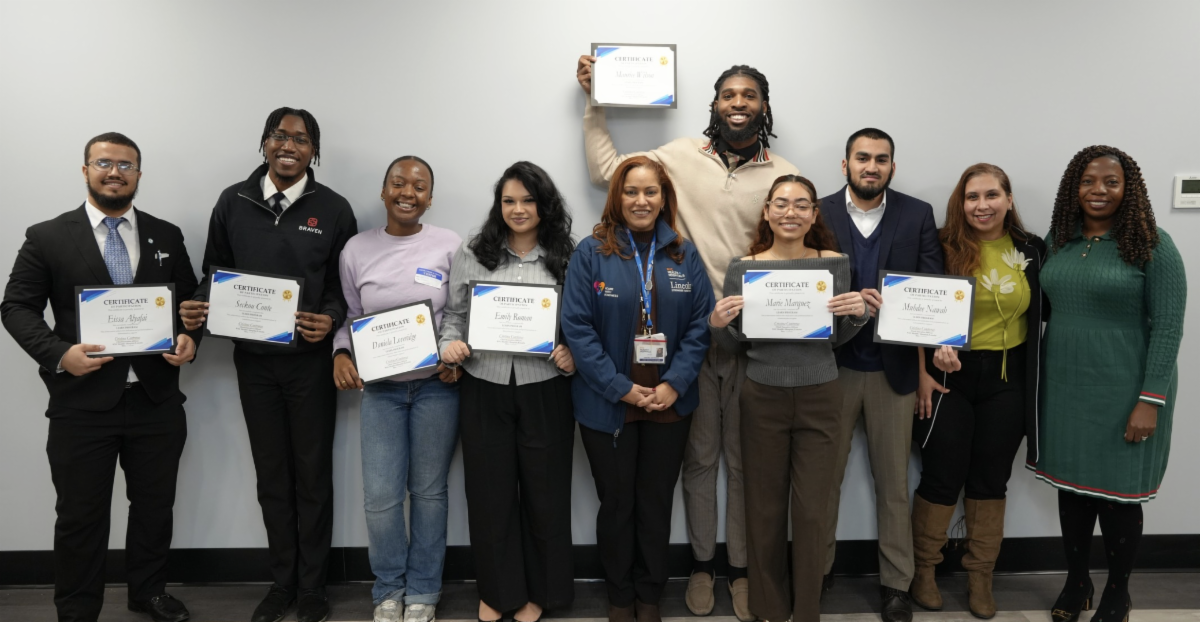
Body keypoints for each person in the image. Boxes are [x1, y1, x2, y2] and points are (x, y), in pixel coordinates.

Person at [576, 57, 799, 620]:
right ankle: (701, 566)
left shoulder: (785, 175)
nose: (739, 103)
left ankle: (741, 572)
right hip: (686, 347)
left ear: (763, 107)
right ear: (715, 104)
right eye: (728, 94)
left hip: (753, 343)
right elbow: (612, 169)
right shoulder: (675, 157)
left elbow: (802, 245)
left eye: (750, 94)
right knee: (698, 464)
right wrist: (595, 100)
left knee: (746, 463)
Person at [1, 133, 200, 622]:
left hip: (155, 399)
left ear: (138, 173)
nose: (116, 172)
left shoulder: (166, 234)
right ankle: (77, 607)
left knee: (155, 508)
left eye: (126, 165)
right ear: (85, 169)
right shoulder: (47, 235)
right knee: (80, 516)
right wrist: (58, 353)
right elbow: (17, 307)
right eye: (105, 163)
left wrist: (190, 338)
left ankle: (147, 591)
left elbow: (191, 304)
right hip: (81, 402)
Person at [179, 107, 358, 622]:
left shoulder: (334, 208)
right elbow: (213, 274)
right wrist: (198, 306)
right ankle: (282, 582)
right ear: (263, 144)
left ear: (313, 152)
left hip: (309, 363)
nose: (289, 145)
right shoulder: (232, 201)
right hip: (253, 363)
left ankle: (313, 587)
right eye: (279, 135)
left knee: (312, 474)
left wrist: (328, 319)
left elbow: (341, 290)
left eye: (301, 139)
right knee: (272, 475)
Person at [561, 156, 714, 622]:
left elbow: (700, 328)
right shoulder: (591, 252)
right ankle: (619, 596)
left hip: (669, 404)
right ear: (617, 197)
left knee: (654, 504)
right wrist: (620, 388)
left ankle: (649, 595)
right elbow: (577, 328)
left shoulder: (684, 255)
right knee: (617, 505)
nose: (641, 201)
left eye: (651, 192)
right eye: (631, 192)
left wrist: (674, 383)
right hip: (608, 405)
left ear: (664, 198)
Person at [1035, 146, 1185, 622]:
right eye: (1087, 182)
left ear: (1129, 189)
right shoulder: (1058, 240)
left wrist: (1150, 400)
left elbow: (1168, 326)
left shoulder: (1153, 245)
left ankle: (1118, 593)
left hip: (1125, 389)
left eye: (1111, 182)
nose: (1098, 191)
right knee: (1073, 492)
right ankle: (1077, 582)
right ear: (1072, 189)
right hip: (1063, 387)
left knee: (1119, 497)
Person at [709, 175, 868, 622]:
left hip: (821, 392)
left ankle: (807, 611)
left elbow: (835, 339)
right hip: (762, 394)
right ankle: (769, 610)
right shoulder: (744, 267)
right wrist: (718, 325)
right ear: (766, 212)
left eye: (802, 205)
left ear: (815, 214)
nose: (790, 212)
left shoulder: (834, 263)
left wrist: (859, 315)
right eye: (781, 203)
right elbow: (735, 345)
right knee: (763, 509)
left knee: (814, 511)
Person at [439, 161, 578, 622]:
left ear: (544, 205)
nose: (518, 210)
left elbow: (580, 323)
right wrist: (449, 346)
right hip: (484, 384)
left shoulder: (567, 255)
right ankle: (499, 591)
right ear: (499, 206)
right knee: (489, 494)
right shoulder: (474, 252)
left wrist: (570, 352)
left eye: (528, 200)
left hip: (546, 389)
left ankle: (542, 591)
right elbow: (454, 316)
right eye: (509, 201)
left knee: (546, 494)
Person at [908, 164, 1047, 619]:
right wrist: (929, 358)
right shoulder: (942, 244)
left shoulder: (1031, 250)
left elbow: (1044, 317)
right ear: (960, 202)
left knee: (991, 478)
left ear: (1008, 199)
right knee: (942, 473)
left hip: (1008, 379)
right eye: (972, 197)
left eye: (991, 195)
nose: (981, 206)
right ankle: (924, 571)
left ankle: (980, 577)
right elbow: (915, 309)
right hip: (949, 377)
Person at [819, 128, 943, 622]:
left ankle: (897, 584)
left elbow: (932, 296)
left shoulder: (917, 214)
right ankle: (816, 569)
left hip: (894, 371)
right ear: (844, 163)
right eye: (862, 157)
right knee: (822, 482)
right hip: (831, 369)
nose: (872, 166)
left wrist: (930, 364)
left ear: (893, 166)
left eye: (882, 159)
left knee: (893, 484)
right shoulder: (819, 211)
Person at [331, 156, 461, 622]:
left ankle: (424, 591)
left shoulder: (449, 244)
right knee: (381, 496)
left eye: (419, 185)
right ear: (383, 191)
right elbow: (348, 317)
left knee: (428, 493)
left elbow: (460, 314)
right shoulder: (355, 250)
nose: (408, 192)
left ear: (430, 197)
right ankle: (388, 590)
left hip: (436, 389)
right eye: (398, 183)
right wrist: (341, 353)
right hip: (381, 391)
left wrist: (455, 360)